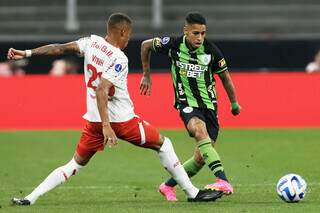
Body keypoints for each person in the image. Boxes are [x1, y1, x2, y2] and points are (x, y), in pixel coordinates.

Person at [8, 13, 223, 206]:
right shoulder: (119, 58)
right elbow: (103, 90)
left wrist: (27, 53)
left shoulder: (91, 43)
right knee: (164, 144)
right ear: (121, 32)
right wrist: (107, 126)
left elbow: (60, 48)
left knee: (74, 164)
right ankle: (193, 192)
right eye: (128, 35)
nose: (129, 39)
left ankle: (30, 198)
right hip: (121, 121)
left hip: (92, 120)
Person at [140, 12, 241, 201]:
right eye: (196, 33)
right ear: (185, 31)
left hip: (209, 106)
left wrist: (234, 103)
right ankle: (222, 179)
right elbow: (145, 45)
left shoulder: (211, 51)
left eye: (203, 33)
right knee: (198, 130)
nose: (200, 38)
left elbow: (225, 77)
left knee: (200, 157)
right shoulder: (173, 45)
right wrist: (146, 74)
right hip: (186, 103)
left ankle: (167, 186)